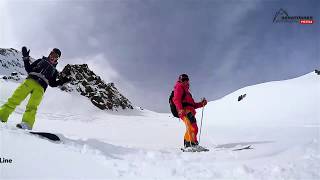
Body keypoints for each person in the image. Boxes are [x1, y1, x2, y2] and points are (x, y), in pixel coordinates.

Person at [0, 46, 70, 130]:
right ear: (50, 54)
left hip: (40, 88)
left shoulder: (54, 71)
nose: (53, 57)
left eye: (56, 56)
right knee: (15, 98)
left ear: (57, 59)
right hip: (29, 82)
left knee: (32, 106)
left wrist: (62, 81)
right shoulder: (40, 61)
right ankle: (2, 116)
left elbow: (52, 83)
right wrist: (26, 59)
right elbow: (29, 69)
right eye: (52, 54)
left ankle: (27, 123)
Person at [173, 74, 207, 149]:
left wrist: (202, 104)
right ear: (180, 80)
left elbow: (193, 105)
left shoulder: (188, 93)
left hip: (190, 111)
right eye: (183, 80)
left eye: (186, 80)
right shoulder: (179, 87)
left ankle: (193, 143)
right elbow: (176, 99)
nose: (185, 81)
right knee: (191, 126)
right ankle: (189, 144)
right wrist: (180, 109)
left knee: (194, 127)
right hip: (184, 111)